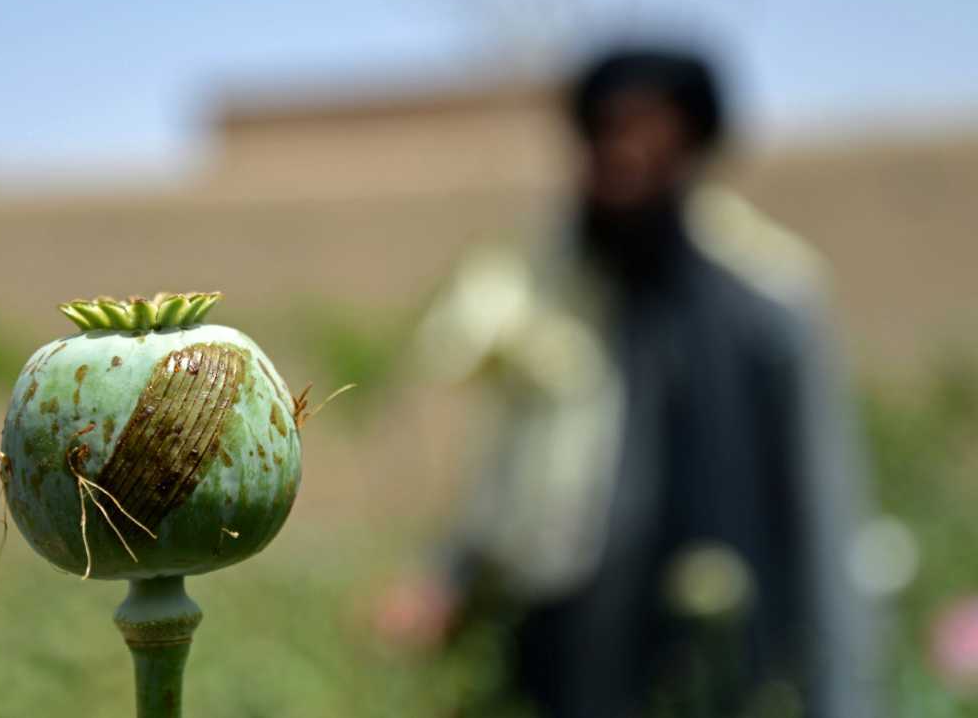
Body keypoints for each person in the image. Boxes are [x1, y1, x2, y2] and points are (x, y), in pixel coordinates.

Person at [376, 45, 878, 717]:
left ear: (695, 146)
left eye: (648, 131)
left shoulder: (768, 299)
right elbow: (506, 466)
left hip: (721, 656)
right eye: (605, 130)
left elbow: (821, 507)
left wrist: (842, 697)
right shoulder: (541, 291)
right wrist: (447, 576)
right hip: (564, 652)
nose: (624, 155)